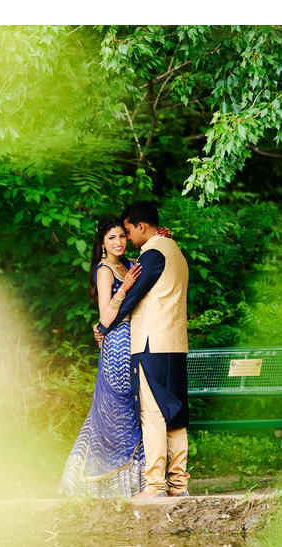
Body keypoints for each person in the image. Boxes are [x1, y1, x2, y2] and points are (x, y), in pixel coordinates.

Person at [58, 218, 170, 498]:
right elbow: (106, 317)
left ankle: (136, 483)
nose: (119, 242)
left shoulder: (130, 262)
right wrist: (124, 288)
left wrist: (163, 235)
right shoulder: (105, 270)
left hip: (136, 340)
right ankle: (101, 484)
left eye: (122, 236)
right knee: (116, 413)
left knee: (136, 411)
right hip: (118, 347)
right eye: (112, 238)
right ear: (102, 243)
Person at [94, 202, 190, 499]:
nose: (127, 240)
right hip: (176, 344)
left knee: (152, 415)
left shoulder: (153, 254)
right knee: (175, 417)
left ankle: (155, 486)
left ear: (140, 226)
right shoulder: (174, 251)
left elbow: (131, 296)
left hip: (151, 344)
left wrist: (103, 326)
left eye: (129, 232)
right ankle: (179, 485)